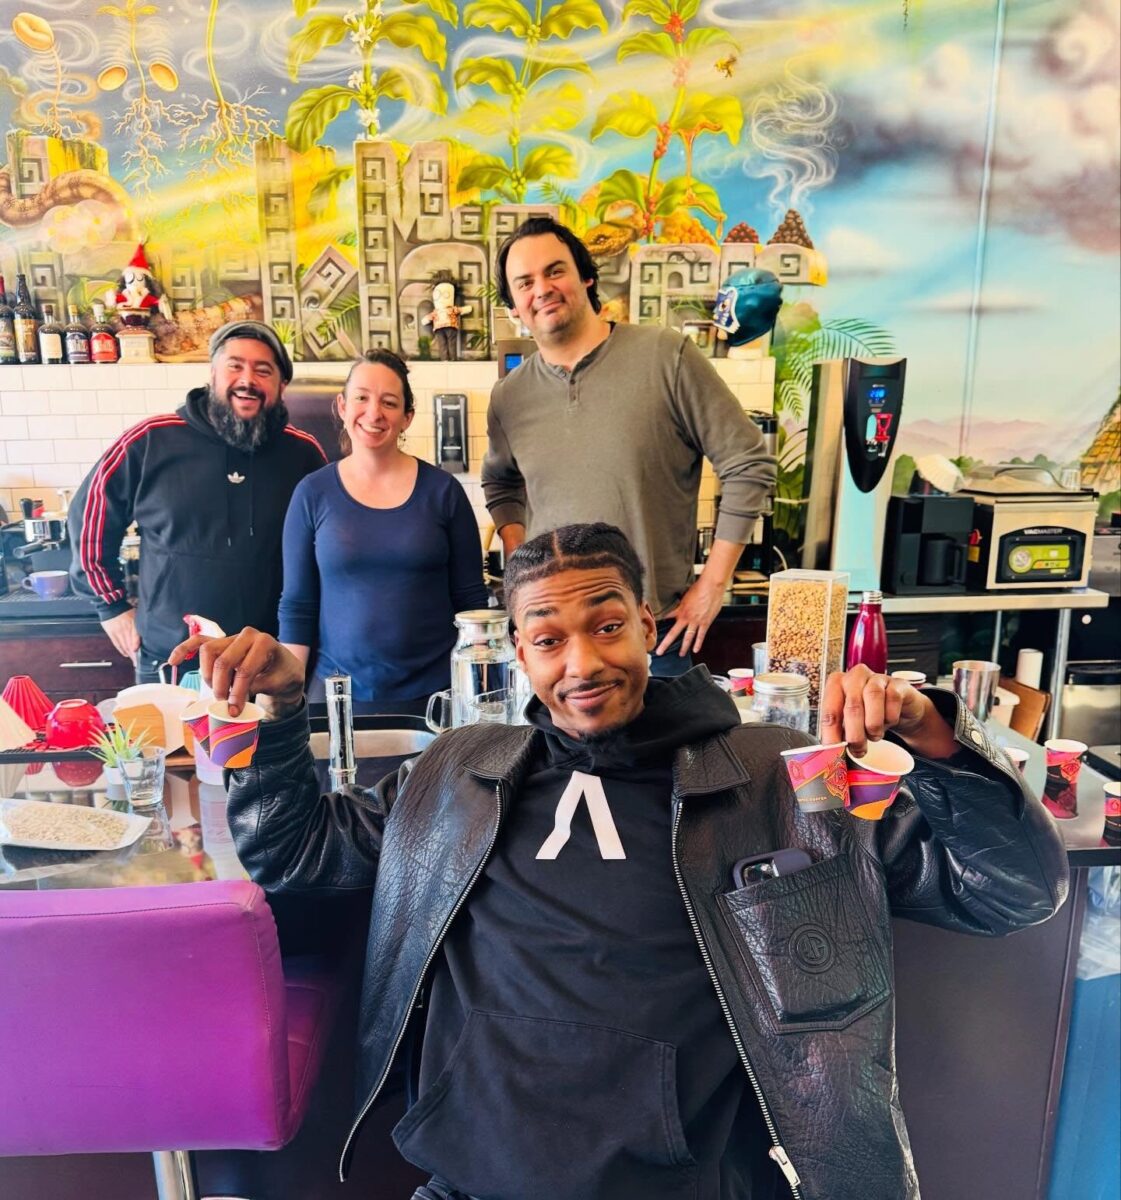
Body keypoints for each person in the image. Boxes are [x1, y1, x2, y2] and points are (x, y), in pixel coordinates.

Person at [170, 522, 1068, 1200]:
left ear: (645, 623)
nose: (582, 663)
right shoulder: (455, 772)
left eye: (606, 627)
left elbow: (1008, 893)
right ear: (518, 652)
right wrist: (276, 717)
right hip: (470, 1181)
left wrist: (935, 738)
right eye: (548, 638)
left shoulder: (774, 775)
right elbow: (295, 853)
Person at [481, 216, 777, 677]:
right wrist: (522, 565)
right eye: (525, 282)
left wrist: (712, 586)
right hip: (555, 646)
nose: (542, 289)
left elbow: (748, 463)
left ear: (586, 277)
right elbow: (500, 484)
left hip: (654, 637)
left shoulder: (666, 357)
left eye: (555, 271)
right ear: (514, 305)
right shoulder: (509, 396)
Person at [68, 320, 326, 683]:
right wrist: (110, 607)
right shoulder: (150, 441)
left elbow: (328, 545)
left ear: (282, 385)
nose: (247, 379)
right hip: (172, 659)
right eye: (235, 366)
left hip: (269, 662)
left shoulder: (304, 453)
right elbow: (90, 518)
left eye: (263, 370)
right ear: (213, 374)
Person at [278, 350, 488, 712]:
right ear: (342, 406)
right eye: (361, 397)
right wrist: (283, 700)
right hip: (339, 698)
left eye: (389, 402)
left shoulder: (444, 492)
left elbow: (471, 601)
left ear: (407, 417)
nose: (373, 412)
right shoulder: (312, 493)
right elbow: (298, 606)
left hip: (437, 696)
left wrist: (480, 693)